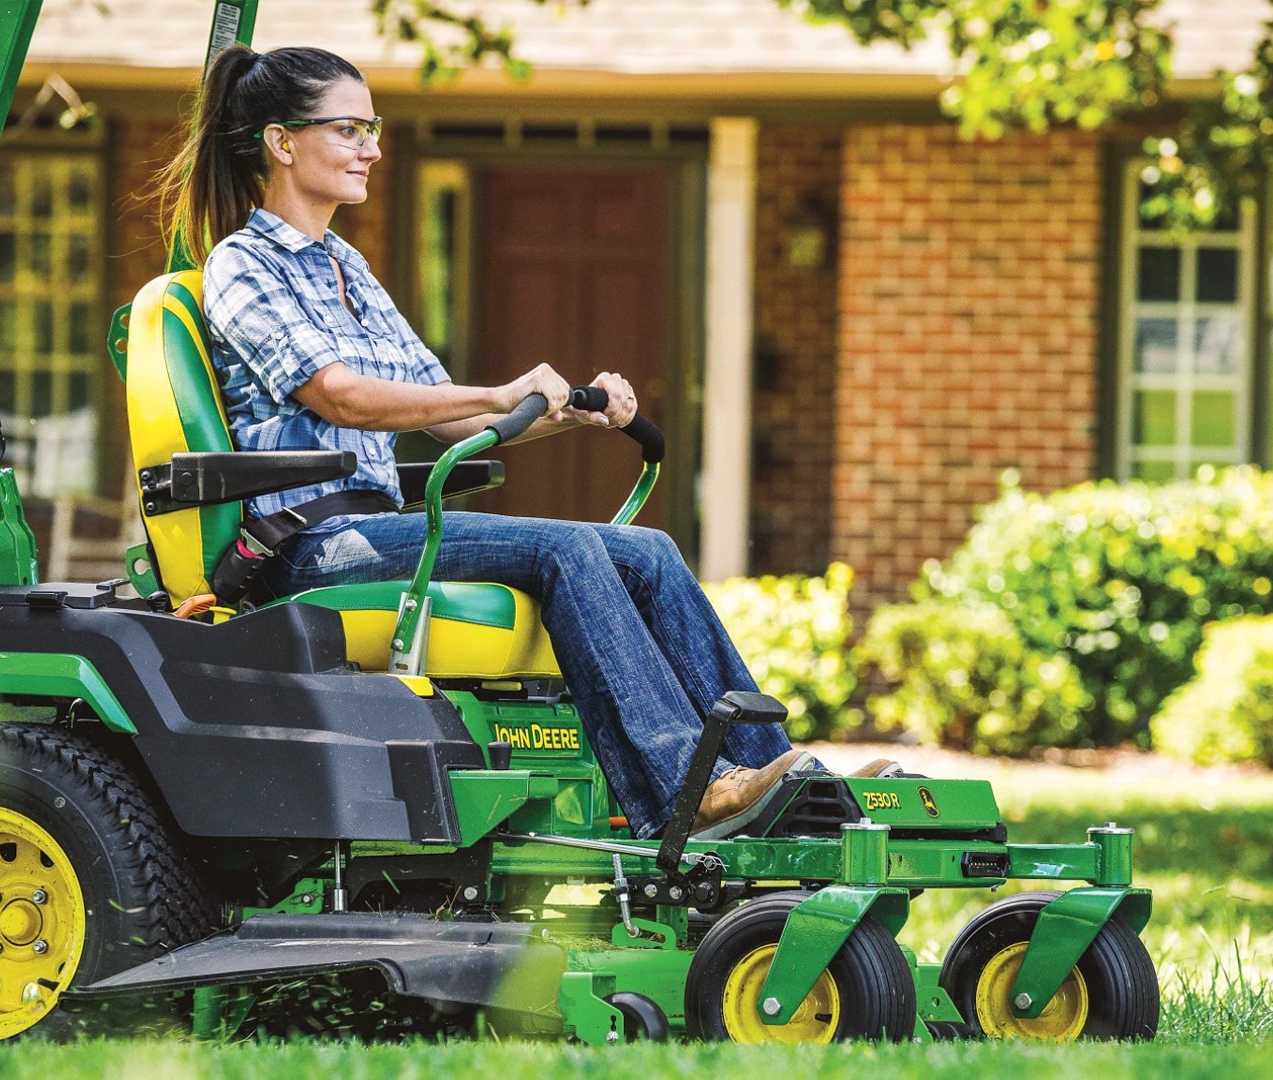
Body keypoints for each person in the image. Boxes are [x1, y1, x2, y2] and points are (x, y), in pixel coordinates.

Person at [157, 44, 891, 840]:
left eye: (374, 128)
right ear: (281, 141)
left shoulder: (347, 268)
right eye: (349, 129)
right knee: (565, 550)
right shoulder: (243, 264)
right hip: (307, 545)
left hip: (376, 528)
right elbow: (339, 395)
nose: (372, 148)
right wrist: (499, 394)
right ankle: (689, 787)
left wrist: (573, 412)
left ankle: (774, 780)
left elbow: (452, 422)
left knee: (649, 552)